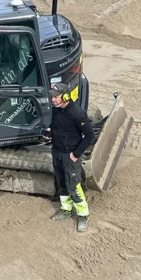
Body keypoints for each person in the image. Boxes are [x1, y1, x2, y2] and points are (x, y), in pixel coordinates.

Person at [47, 82, 94, 232]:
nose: (53, 99)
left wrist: (76, 154)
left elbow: (89, 136)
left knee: (73, 185)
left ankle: (83, 215)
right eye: (53, 97)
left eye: (56, 97)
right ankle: (66, 210)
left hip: (70, 155)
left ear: (66, 96)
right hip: (57, 152)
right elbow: (57, 127)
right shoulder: (56, 111)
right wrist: (49, 131)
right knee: (61, 183)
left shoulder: (77, 113)